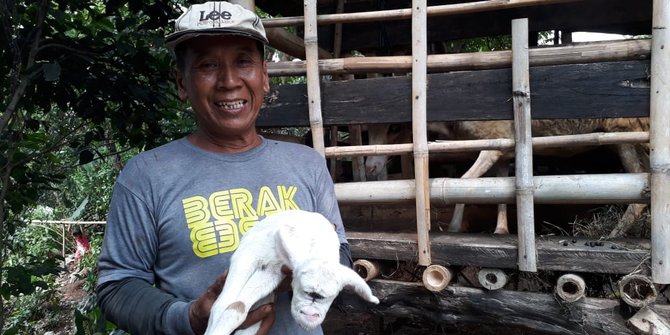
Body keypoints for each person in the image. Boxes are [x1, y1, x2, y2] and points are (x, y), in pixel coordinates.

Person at [95, 2, 352, 334]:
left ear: (264, 76)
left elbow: (342, 251)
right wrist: (190, 318)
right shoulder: (146, 176)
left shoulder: (307, 163)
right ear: (182, 83)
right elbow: (117, 285)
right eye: (207, 65)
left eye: (244, 61)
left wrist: (314, 266)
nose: (229, 81)